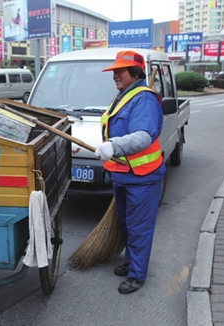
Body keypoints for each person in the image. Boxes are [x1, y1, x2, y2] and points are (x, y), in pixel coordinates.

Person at [95, 50, 165, 294]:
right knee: (125, 224)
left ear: (135, 72)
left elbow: (143, 136)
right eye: (114, 71)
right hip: (123, 173)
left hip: (142, 177)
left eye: (120, 71)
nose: (115, 75)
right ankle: (131, 262)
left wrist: (114, 146)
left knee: (138, 227)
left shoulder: (144, 99)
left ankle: (137, 275)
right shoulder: (123, 95)